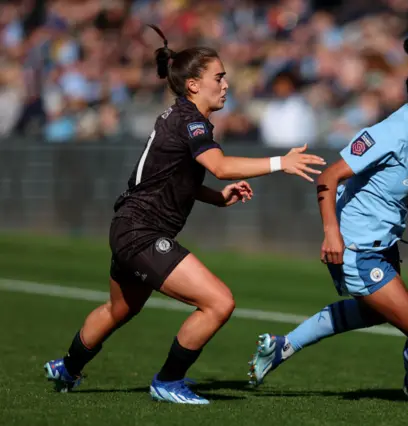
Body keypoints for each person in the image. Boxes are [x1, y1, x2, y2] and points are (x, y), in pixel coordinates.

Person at [44, 25, 326, 405]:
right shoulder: (189, 121)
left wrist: (215, 197)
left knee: (118, 310)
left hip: (130, 226)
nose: (226, 84)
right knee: (219, 302)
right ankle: (168, 381)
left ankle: (68, 368)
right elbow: (222, 165)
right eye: (219, 77)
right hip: (141, 231)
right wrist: (281, 161)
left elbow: (173, 179)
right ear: (193, 85)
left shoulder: (182, 119)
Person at [248, 23, 408, 407]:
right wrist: (331, 234)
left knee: (372, 314)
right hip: (357, 248)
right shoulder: (391, 133)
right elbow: (328, 176)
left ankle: (282, 347)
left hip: (384, 245)